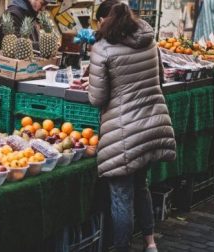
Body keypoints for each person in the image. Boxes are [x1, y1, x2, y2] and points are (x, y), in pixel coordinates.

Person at [88, 1, 176, 252]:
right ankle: (150, 243)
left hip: (124, 131)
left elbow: (97, 98)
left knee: (121, 195)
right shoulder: (149, 41)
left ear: (105, 20)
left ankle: (121, 248)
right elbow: (160, 78)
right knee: (141, 185)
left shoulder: (102, 49)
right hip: (152, 125)